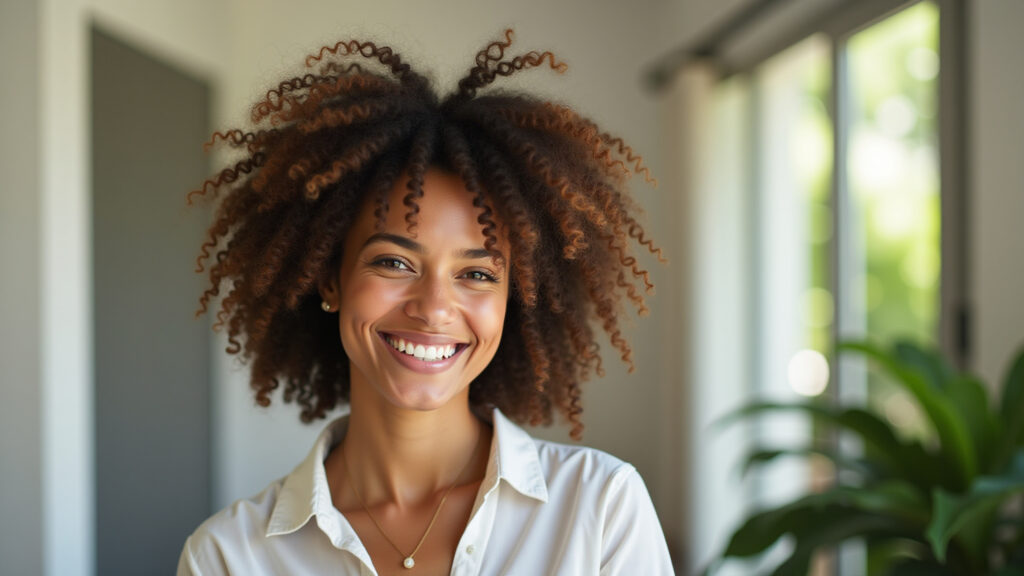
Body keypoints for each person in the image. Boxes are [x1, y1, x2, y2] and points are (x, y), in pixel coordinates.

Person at [177, 28, 674, 576]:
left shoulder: (600, 509)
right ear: (330, 280)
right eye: (394, 262)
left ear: (513, 300)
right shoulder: (229, 556)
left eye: (477, 274)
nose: (435, 307)